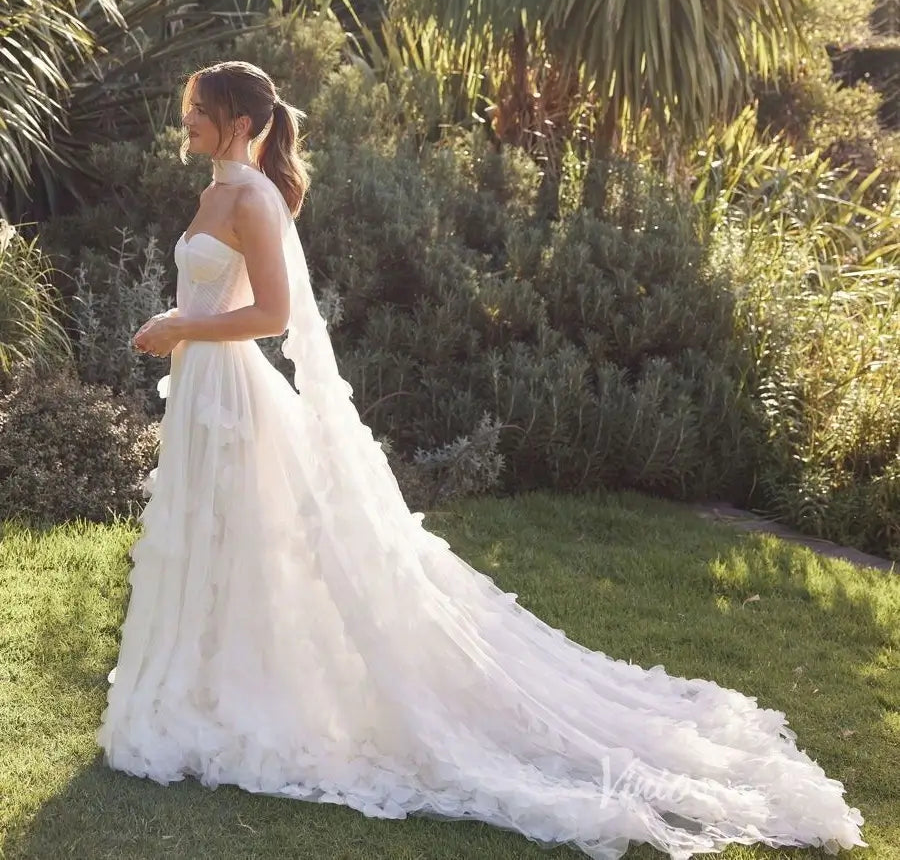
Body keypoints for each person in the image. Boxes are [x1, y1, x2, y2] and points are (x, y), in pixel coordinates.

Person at [97, 59, 866, 860]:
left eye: (199, 109)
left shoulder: (252, 199)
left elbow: (272, 315)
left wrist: (181, 327)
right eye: (189, 106)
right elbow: (216, 297)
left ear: (239, 123)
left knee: (245, 534)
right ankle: (206, 688)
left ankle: (253, 701)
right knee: (215, 537)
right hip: (204, 387)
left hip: (230, 391)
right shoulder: (214, 192)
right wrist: (180, 326)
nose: (186, 119)